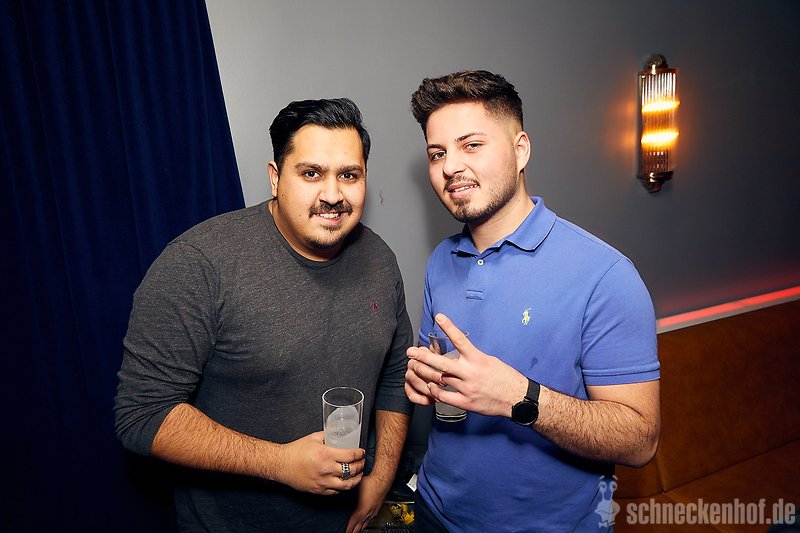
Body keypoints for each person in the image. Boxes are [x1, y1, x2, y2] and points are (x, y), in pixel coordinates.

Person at [114, 98, 414, 532]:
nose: (333, 195)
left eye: (349, 175)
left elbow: (396, 374)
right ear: (275, 177)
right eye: (311, 173)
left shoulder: (380, 259)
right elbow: (143, 414)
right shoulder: (199, 264)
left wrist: (380, 479)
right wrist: (280, 463)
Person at [404, 70, 661, 532]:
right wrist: (424, 378)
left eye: (471, 145)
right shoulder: (441, 260)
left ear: (521, 149)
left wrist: (519, 398)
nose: (450, 167)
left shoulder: (605, 275)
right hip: (435, 512)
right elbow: (441, 369)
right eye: (437, 153)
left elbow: (640, 441)